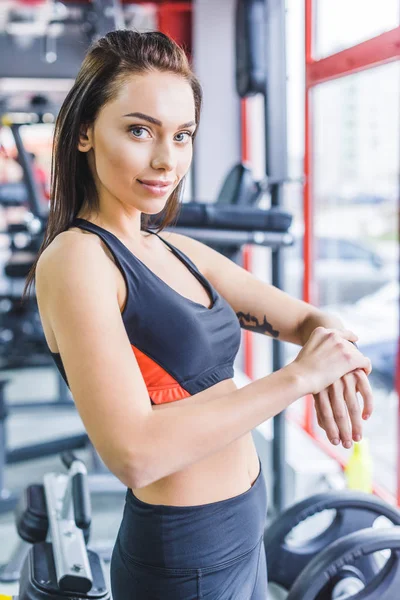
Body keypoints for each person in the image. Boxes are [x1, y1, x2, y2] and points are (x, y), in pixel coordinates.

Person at [22, 30, 373, 599]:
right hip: (187, 561)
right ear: (84, 131)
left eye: (182, 136)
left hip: (241, 532)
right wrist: (303, 378)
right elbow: (135, 454)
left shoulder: (175, 248)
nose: (167, 159)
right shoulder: (77, 259)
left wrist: (333, 350)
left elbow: (309, 319)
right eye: (140, 130)